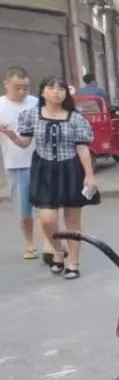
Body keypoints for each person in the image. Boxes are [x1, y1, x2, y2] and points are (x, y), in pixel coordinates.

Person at [0, 75, 98, 279]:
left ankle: (73, 262)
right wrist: (11, 135)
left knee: (72, 220)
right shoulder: (31, 115)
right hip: (43, 170)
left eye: (61, 89)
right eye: (51, 87)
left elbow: (82, 149)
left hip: (70, 169)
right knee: (46, 219)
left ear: (66, 94)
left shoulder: (76, 118)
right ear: (43, 92)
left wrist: (89, 175)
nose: (56, 92)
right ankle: (58, 251)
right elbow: (25, 143)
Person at [0, 66, 52, 263]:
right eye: (17, 87)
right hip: (15, 164)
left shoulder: (36, 103)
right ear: (6, 84)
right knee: (24, 209)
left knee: (45, 207)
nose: (22, 92)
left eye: (26, 87)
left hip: (40, 161)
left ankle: (49, 243)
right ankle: (30, 244)